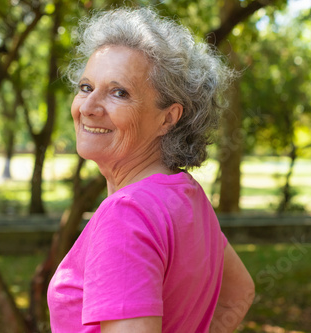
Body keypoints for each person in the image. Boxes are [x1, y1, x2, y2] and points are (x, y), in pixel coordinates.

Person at [47, 7, 254, 333]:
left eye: (119, 92)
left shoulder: (125, 215)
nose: (87, 107)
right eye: (86, 87)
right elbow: (239, 295)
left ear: (168, 118)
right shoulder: (187, 194)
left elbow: (239, 294)